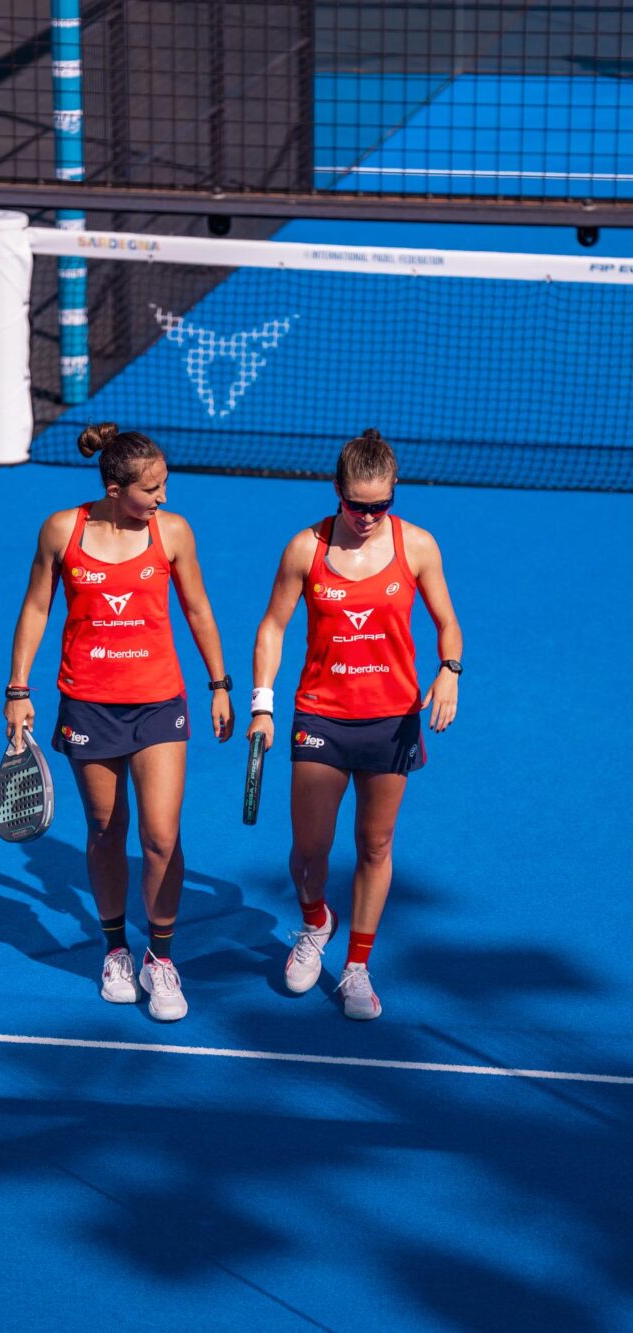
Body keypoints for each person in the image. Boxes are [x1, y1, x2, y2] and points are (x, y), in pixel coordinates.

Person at [4, 425, 234, 1021]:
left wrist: (219, 684)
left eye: (164, 485)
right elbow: (36, 607)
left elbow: (198, 608)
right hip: (89, 704)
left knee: (161, 837)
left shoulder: (172, 532)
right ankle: (114, 951)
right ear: (114, 489)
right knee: (106, 830)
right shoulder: (62, 530)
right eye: (151, 489)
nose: (163, 497)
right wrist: (18, 689)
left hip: (159, 703)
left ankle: (161, 959)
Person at [247, 428, 462, 1020]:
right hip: (321, 715)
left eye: (380, 506)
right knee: (308, 852)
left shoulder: (417, 546)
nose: (368, 517)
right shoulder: (305, 549)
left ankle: (357, 966)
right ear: (336, 491)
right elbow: (272, 627)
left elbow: (448, 623)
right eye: (357, 505)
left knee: (375, 844)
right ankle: (316, 921)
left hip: (391, 721)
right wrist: (262, 703)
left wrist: (450, 671)